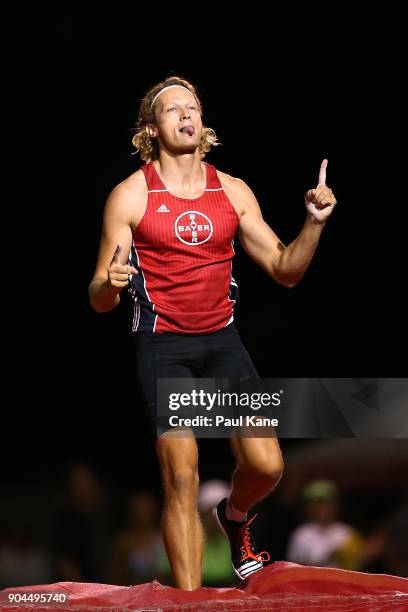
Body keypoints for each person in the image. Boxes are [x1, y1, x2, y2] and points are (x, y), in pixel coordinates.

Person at [88, 76, 337, 590]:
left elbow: (285, 269)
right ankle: (189, 600)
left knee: (266, 467)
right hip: (165, 348)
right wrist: (109, 285)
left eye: (193, 107)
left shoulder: (233, 190)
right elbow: (99, 295)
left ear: (202, 122)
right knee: (182, 477)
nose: (186, 114)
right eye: (173, 109)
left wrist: (313, 223)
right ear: (151, 129)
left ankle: (235, 514)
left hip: (223, 343)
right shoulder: (131, 195)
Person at [286, 479, 364, 570]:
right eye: (318, 505)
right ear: (309, 508)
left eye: (327, 504)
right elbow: (294, 568)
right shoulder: (301, 534)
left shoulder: (347, 532)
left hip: (341, 582)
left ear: (336, 506)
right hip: (312, 583)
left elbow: (360, 563)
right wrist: (329, 557)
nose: (323, 509)